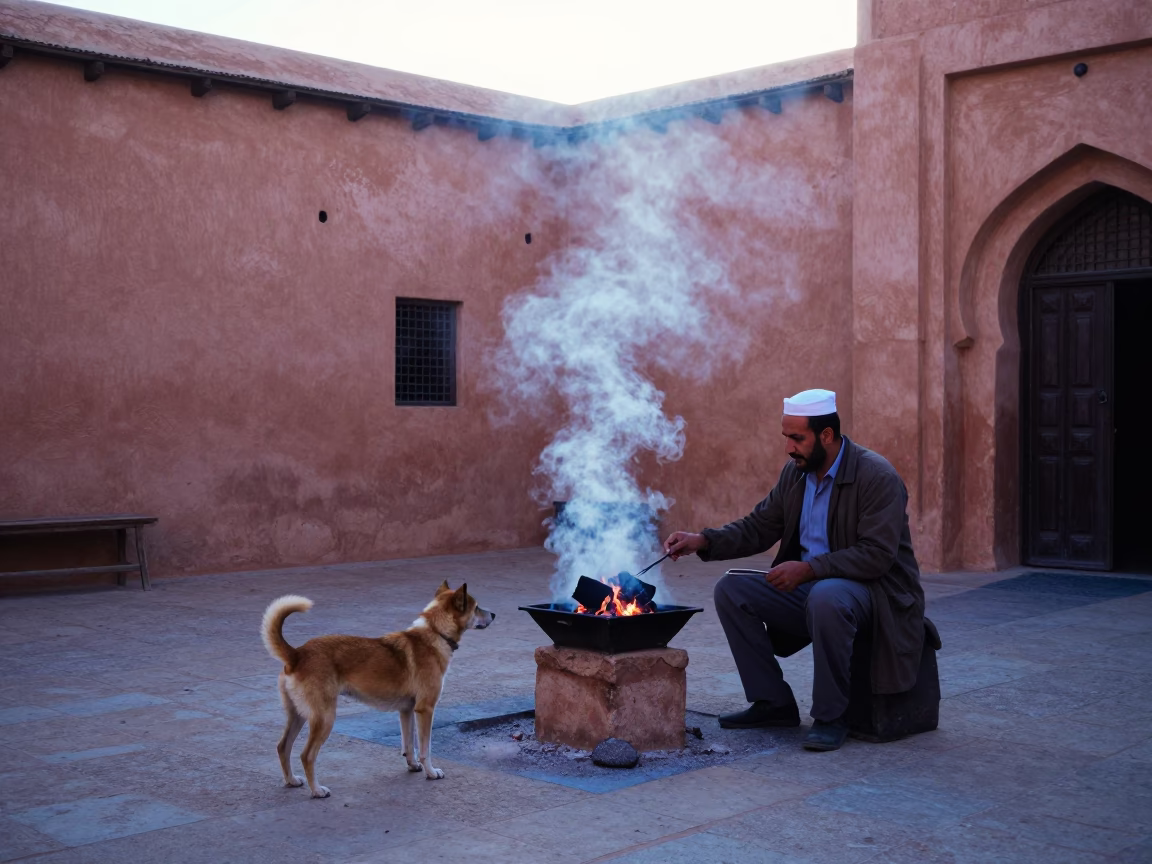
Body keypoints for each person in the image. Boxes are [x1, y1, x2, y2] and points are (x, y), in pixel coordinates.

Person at [664, 389, 927, 752]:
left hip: (876, 595)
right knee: (732, 590)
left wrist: (808, 569)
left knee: (827, 596)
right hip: (816, 587)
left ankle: (832, 717)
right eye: (786, 437)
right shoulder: (796, 474)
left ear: (827, 435)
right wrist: (704, 541)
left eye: (797, 438)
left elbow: (876, 556)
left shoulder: (876, 476)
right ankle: (773, 702)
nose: (789, 447)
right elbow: (759, 526)